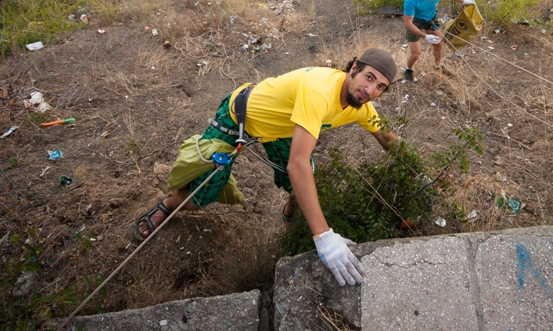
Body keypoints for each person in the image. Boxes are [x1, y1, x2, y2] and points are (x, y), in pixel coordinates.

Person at [134, 49, 401, 287]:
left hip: (282, 128)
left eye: (380, 86)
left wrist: (414, 170)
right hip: (240, 115)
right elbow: (296, 164)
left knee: (302, 181)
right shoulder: (320, 90)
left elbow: (387, 137)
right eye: (369, 77)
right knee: (202, 196)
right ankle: (169, 205)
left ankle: (290, 213)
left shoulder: (360, 107)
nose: (371, 90)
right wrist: (324, 237)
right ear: (353, 67)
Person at [402, 0, 474, 81]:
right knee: (416, 53)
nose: (433, 1)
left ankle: (437, 67)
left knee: (439, 44)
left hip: (430, 18)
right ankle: (409, 69)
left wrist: (463, 1)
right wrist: (425, 36)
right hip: (415, 21)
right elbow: (408, 24)